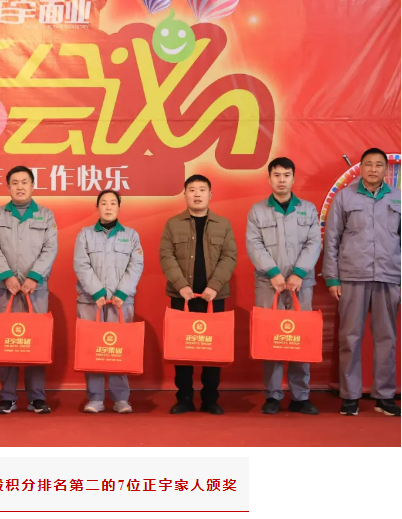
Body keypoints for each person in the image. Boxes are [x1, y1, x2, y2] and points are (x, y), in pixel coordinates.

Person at [323, 148, 401, 417]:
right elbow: (331, 239)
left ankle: (385, 396)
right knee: (350, 338)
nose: (373, 169)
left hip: (389, 276)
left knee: (387, 338)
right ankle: (350, 396)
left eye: (379, 165)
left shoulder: (398, 197)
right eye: (368, 164)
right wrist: (332, 277)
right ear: (360, 167)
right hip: (352, 277)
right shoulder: (345, 197)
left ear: (386, 169)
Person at [246, 157, 321, 415]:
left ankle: (301, 396)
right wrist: (273, 273)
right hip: (269, 284)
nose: (281, 180)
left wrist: (299, 273)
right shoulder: (257, 210)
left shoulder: (308, 209)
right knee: (271, 338)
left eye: (286, 175)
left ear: (293, 178)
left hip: (302, 284)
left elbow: (314, 242)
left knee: (301, 338)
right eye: (276, 175)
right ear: (269, 178)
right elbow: (254, 244)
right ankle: (273, 395)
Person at [159, 174, 237, 415]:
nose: (197, 194)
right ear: (185, 194)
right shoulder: (173, 224)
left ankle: (210, 399)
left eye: (202, 190)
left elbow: (229, 256)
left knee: (213, 350)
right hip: (182, 297)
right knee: (181, 349)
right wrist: (181, 285)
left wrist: (214, 286)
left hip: (214, 297)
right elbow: (166, 256)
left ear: (210, 195)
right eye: (192, 190)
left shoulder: (223, 224)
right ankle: (184, 398)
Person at [0, 166, 58, 414]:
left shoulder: (46, 215)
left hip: (36, 290)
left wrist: (34, 277)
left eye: (24, 182)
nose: (19, 187)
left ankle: (37, 397)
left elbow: (50, 248)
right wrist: (6, 276)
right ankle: (8, 397)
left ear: (32, 186)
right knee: (7, 342)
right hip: (7, 289)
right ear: (8, 187)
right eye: (14, 182)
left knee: (36, 341)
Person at [73, 190, 144, 414]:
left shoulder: (131, 235)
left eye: (113, 203)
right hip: (90, 300)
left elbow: (136, 265)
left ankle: (121, 398)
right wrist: (96, 291)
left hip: (120, 302)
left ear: (119, 207)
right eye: (103, 203)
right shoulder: (85, 234)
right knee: (92, 348)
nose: (108, 207)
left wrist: (122, 292)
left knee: (118, 348)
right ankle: (95, 398)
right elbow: (81, 264)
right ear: (98, 207)